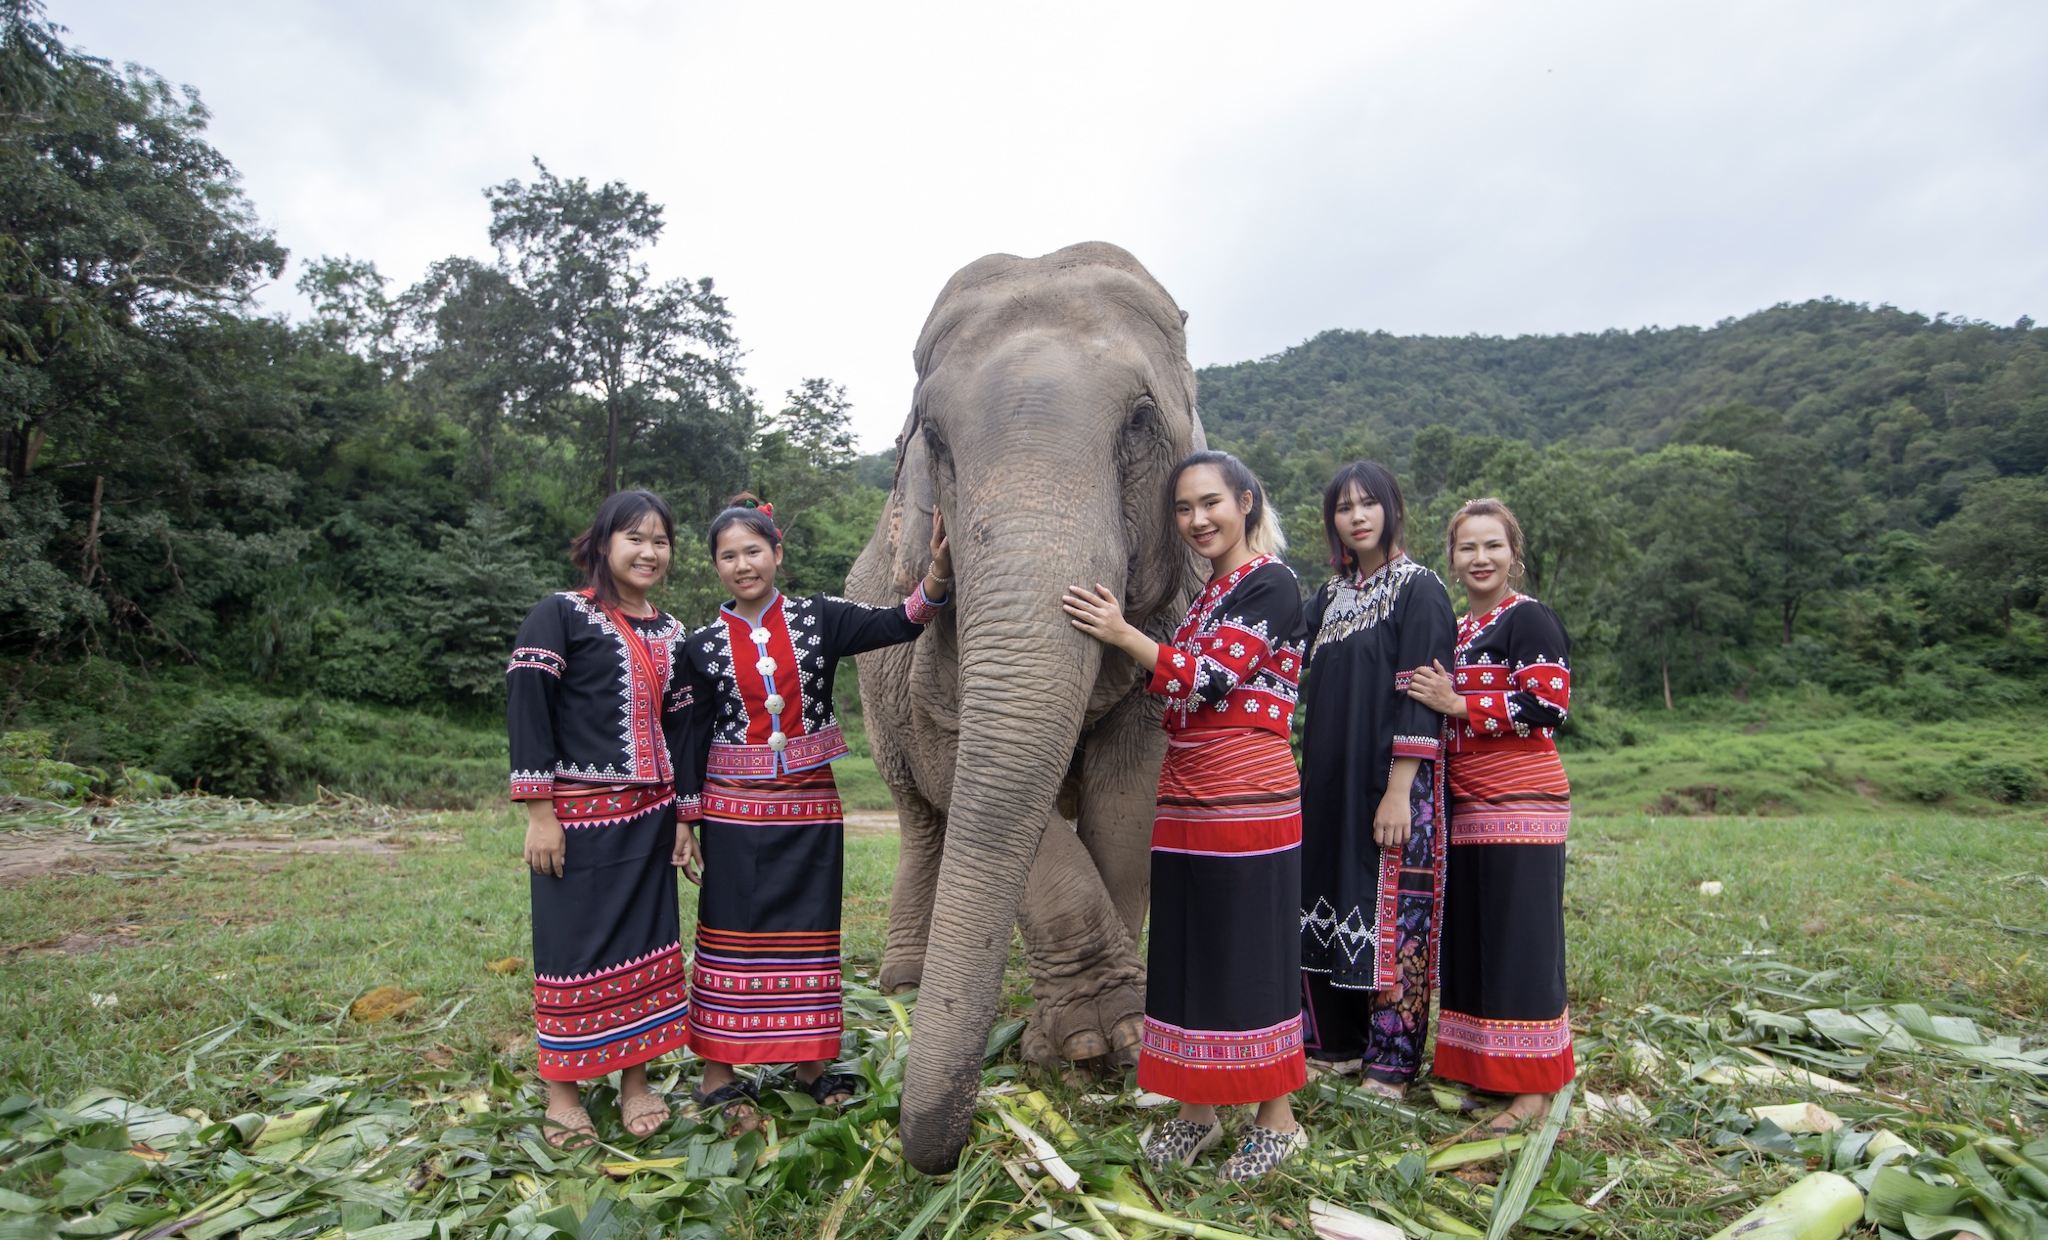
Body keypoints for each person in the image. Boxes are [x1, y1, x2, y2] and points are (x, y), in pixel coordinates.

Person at [1062, 450, 1308, 1182]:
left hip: (1246, 791)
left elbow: (1205, 678)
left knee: (1248, 947)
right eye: (1184, 508)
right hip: (1186, 786)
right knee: (1189, 945)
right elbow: (1173, 692)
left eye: (1211, 503)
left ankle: (1277, 1120)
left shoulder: (1272, 584)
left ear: (1248, 503)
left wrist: (1121, 633)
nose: (1198, 519)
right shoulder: (1207, 596)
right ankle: (1197, 1108)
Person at [674, 494, 951, 1131]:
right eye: (728, 556)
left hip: (810, 806)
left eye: (753, 551)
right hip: (732, 809)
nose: (743, 565)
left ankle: (809, 1063)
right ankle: (720, 1072)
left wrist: (938, 573)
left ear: (777, 553)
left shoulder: (820, 617)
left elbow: (900, 622)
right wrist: (686, 818)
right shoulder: (702, 645)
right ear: (716, 566)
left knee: (809, 931)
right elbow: (687, 734)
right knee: (730, 932)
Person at [506, 488, 701, 1148]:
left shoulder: (674, 633)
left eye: (660, 541)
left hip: (648, 820)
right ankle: (563, 1090)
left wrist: (683, 816)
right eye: (634, 538)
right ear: (603, 544)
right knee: (572, 951)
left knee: (645, 948)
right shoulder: (561, 614)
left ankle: (634, 1082)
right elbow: (528, 703)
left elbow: (683, 728)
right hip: (577, 821)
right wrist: (539, 813)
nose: (648, 552)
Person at [1407, 498, 1575, 1131]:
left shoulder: (1529, 620)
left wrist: (1459, 702)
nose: (1481, 559)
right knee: (1475, 937)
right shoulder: (1455, 628)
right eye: (1468, 548)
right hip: (1467, 805)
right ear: (1452, 558)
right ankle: (1486, 1071)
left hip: (1522, 804)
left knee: (1519, 943)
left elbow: (1549, 707)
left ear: (1513, 554)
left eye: (1493, 547)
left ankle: (1532, 1092)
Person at [1297, 461, 1456, 1100]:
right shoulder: (1328, 599)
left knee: (1394, 917)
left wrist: (1399, 789)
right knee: (1328, 902)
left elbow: (1419, 695)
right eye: (1344, 507)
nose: (1357, 516)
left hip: (1392, 783)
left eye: (1369, 503)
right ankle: (1335, 1045)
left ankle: (1390, 1063)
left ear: (1392, 509)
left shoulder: (1420, 589)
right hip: (1328, 783)